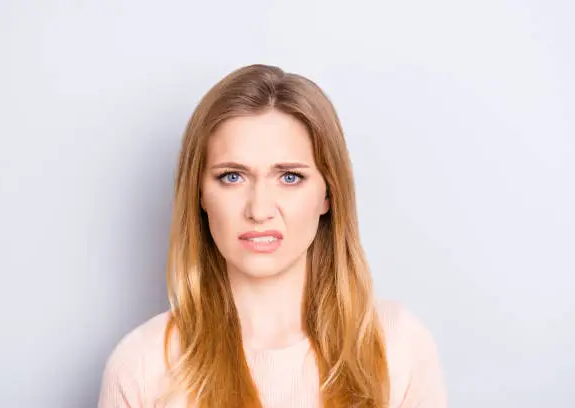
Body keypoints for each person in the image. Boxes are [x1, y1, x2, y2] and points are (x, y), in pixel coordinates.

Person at [98, 64, 447, 408]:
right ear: (199, 194)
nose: (260, 209)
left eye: (290, 177)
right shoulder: (143, 364)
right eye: (232, 177)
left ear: (328, 194)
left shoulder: (398, 346)